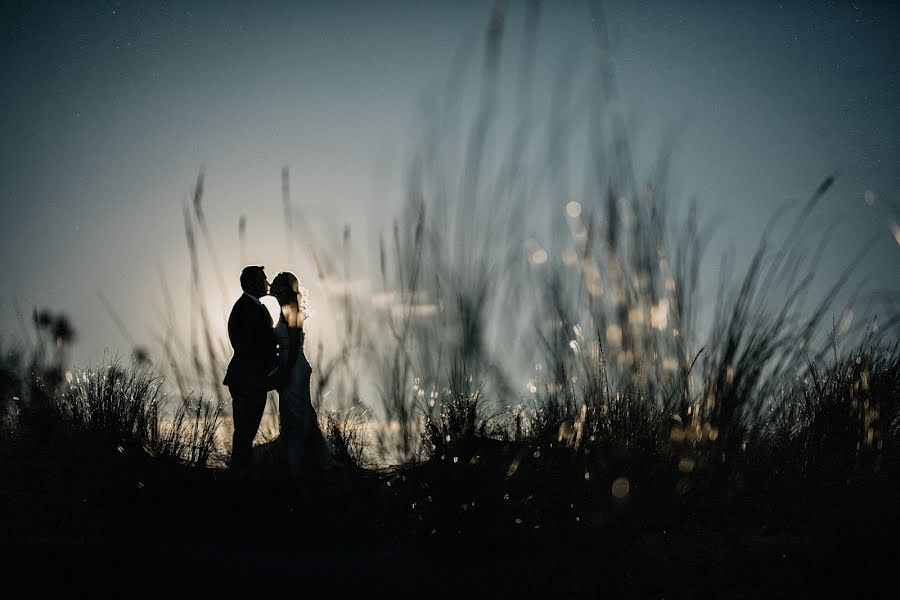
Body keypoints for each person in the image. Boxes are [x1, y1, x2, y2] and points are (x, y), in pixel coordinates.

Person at [268, 271, 335, 484]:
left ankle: (300, 466)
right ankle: (304, 461)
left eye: (277, 286)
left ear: (285, 289)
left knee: (296, 414)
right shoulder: (283, 310)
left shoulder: (291, 309)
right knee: (296, 413)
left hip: (294, 366)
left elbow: (295, 342)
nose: (272, 288)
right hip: (290, 364)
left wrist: (285, 370)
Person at [223, 265, 277, 475]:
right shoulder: (245, 308)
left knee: (246, 431)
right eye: (264, 279)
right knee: (245, 432)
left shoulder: (253, 306)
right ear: (252, 283)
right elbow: (251, 346)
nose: (267, 284)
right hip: (247, 379)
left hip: (251, 379)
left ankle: (240, 472)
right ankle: (239, 476)